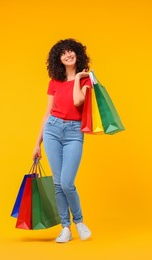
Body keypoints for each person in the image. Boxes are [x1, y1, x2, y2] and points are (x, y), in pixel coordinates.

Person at [33, 38, 92, 243]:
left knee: (67, 183)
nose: (68, 55)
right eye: (63, 53)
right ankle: (65, 228)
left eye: (71, 51)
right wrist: (37, 143)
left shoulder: (85, 79)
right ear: (58, 58)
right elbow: (47, 113)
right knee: (58, 184)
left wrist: (76, 79)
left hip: (74, 132)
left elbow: (78, 101)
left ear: (77, 54)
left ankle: (80, 221)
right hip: (52, 131)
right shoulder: (54, 81)